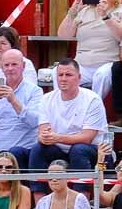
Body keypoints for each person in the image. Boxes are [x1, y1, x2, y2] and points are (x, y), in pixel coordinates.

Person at [28, 59, 107, 188]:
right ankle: (40, 202)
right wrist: (44, 137)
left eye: (68, 75)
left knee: (79, 149)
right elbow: (44, 131)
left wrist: (58, 137)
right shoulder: (46, 99)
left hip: (92, 150)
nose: (63, 79)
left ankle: (81, 202)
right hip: (60, 149)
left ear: (79, 77)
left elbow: (87, 138)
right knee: (38, 149)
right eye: (60, 75)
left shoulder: (92, 99)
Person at [57, 0, 122, 105]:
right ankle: (63, 107)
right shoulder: (85, 11)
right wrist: (72, 12)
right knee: (56, 72)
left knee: (101, 75)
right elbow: (64, 35)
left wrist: (106, 16)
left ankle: (92, 109)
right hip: (81, 64)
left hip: (107, 63)